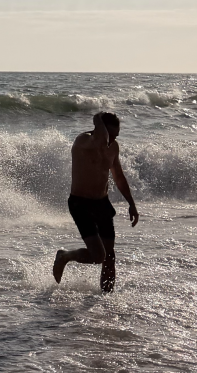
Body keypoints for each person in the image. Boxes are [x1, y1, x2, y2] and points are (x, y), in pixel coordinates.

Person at [53, 112, 139, 292]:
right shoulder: (83, 141)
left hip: (102, 203)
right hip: (80, 204)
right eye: (111, 134)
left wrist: (132, 204)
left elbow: (119, 178)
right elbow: (100, 139)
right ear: (101, 129)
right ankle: (65, 256)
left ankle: (106, 299)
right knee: (98, 255)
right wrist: (98, 117)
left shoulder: (113, 147)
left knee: (109, 256)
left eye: (116, 135)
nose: (113, 139)